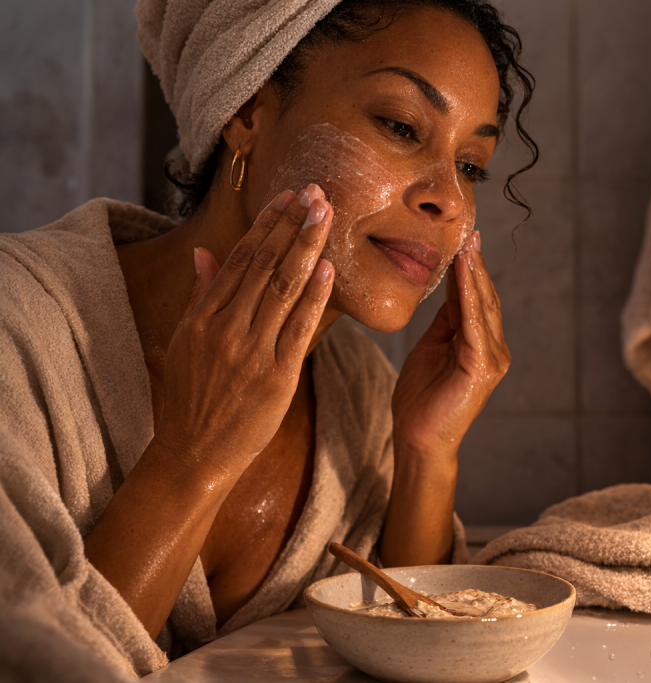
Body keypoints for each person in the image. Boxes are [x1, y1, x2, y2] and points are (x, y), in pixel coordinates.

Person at [0, 0, 536, 677]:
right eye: (401, 126)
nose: (450, 201)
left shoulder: (360, 395)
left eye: (471, 164)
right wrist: (191, 458)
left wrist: (426, 455)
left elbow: (423, 653)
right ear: (248, 111)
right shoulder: (17, 329)